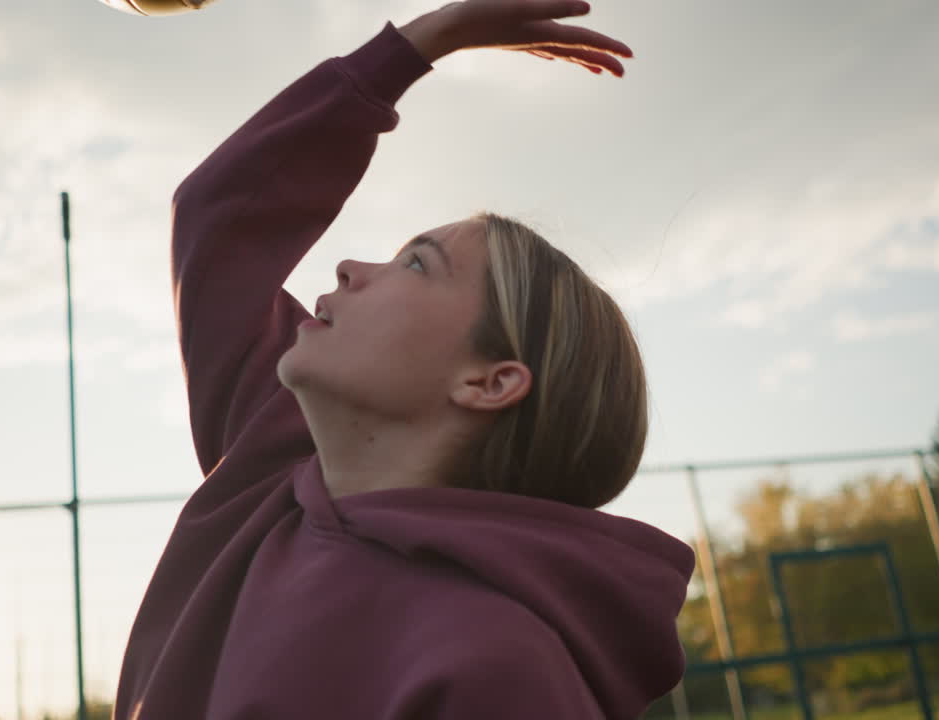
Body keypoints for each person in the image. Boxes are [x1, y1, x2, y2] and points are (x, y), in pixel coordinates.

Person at [113, 2, 695, 718]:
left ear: (490, 381)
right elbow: (220, 219)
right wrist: (418, 45)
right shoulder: (268, 470)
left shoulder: (497, 669)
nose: (351, 268)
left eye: (417, 264)